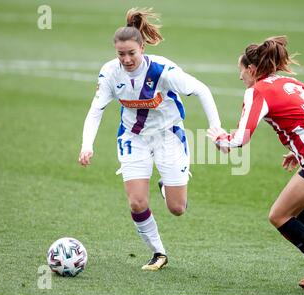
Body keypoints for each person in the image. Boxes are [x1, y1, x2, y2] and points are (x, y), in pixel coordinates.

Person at [79, 8, 221, 271]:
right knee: (136, 201)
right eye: (121, 54)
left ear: (142, 48)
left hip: (169, 137)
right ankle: (159, 252)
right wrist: (87, 145)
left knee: (177, 208)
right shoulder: (110, 72)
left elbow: (202, 90)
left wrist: (216, 129)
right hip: (133, 138)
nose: (126, 59)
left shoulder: (163, 70)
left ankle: (166, 186)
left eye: (131, 53)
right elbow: (96, 110)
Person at [207, 36, 304, 293]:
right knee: (293, 210)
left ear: (251, 70)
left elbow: (240, 138)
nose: (240, 77)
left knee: (279, 215)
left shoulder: (256, 90)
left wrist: (220, 138)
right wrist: (300, 151)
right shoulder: (292, 83)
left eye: (241, 71)